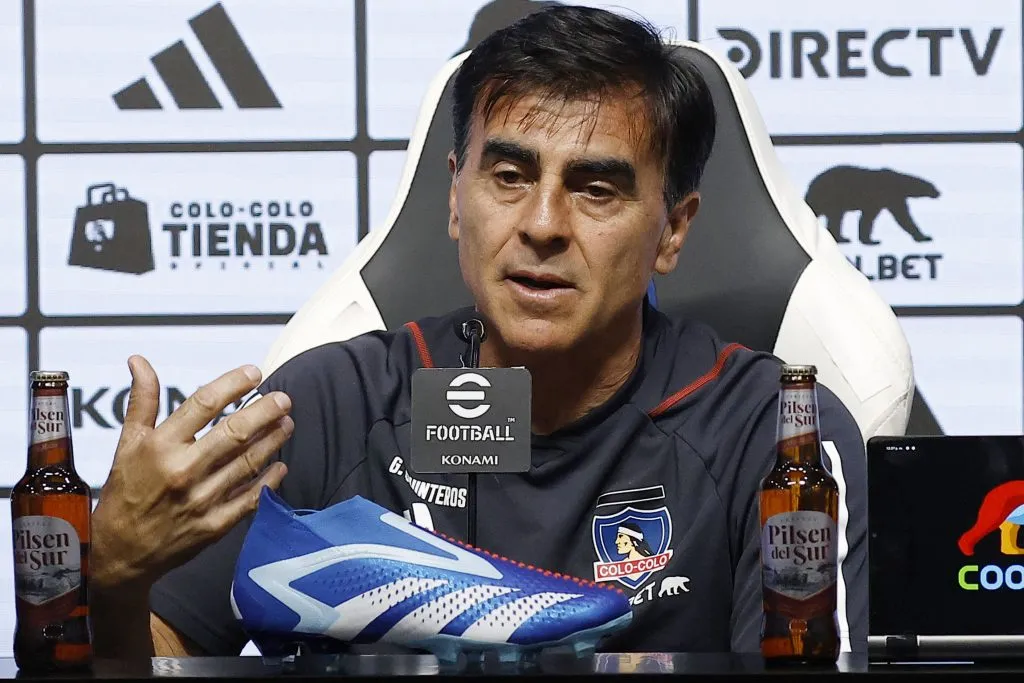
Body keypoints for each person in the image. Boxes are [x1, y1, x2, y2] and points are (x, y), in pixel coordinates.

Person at [88, 4, 868, 658]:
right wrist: (117, 581)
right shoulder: (331, 406)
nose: (541, 224)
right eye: (510, 176)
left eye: (595, 189)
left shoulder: (776, 435)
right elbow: (158, 650)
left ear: (672, 229)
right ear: (456, 201)